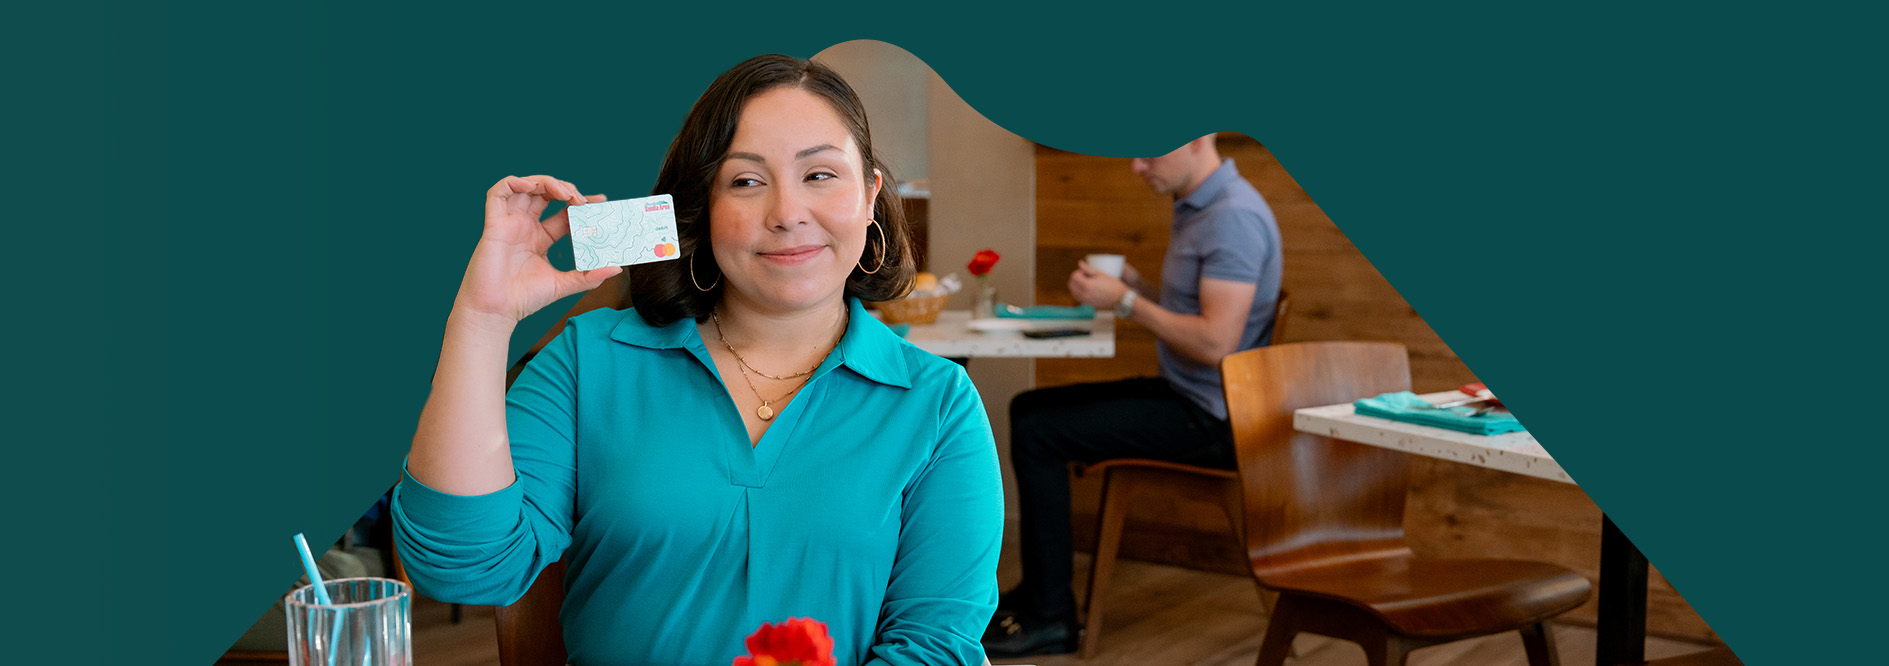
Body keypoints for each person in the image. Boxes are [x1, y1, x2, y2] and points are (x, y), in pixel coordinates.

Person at [392, 54, 1002, 666]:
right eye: (745, 181)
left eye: (820, 175)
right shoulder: (587, 361)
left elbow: (936, 646)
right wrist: (483, 318)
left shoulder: (938, 403)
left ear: (870, 195)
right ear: (701, 208)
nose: (787, 213)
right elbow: (463, 567)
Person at [982, 133, 1284, 657]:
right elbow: (1199, 313)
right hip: (1193, 397)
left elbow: (1215, 342)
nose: (1136, 166)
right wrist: (1140, 289)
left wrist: (1124, 302)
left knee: (1038, 428)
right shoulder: (1200, 206)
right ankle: (1038, 594)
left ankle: (1052, 616)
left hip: (1213, 418)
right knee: (1029, 409)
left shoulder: (1232, 216)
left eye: (1148, 153)